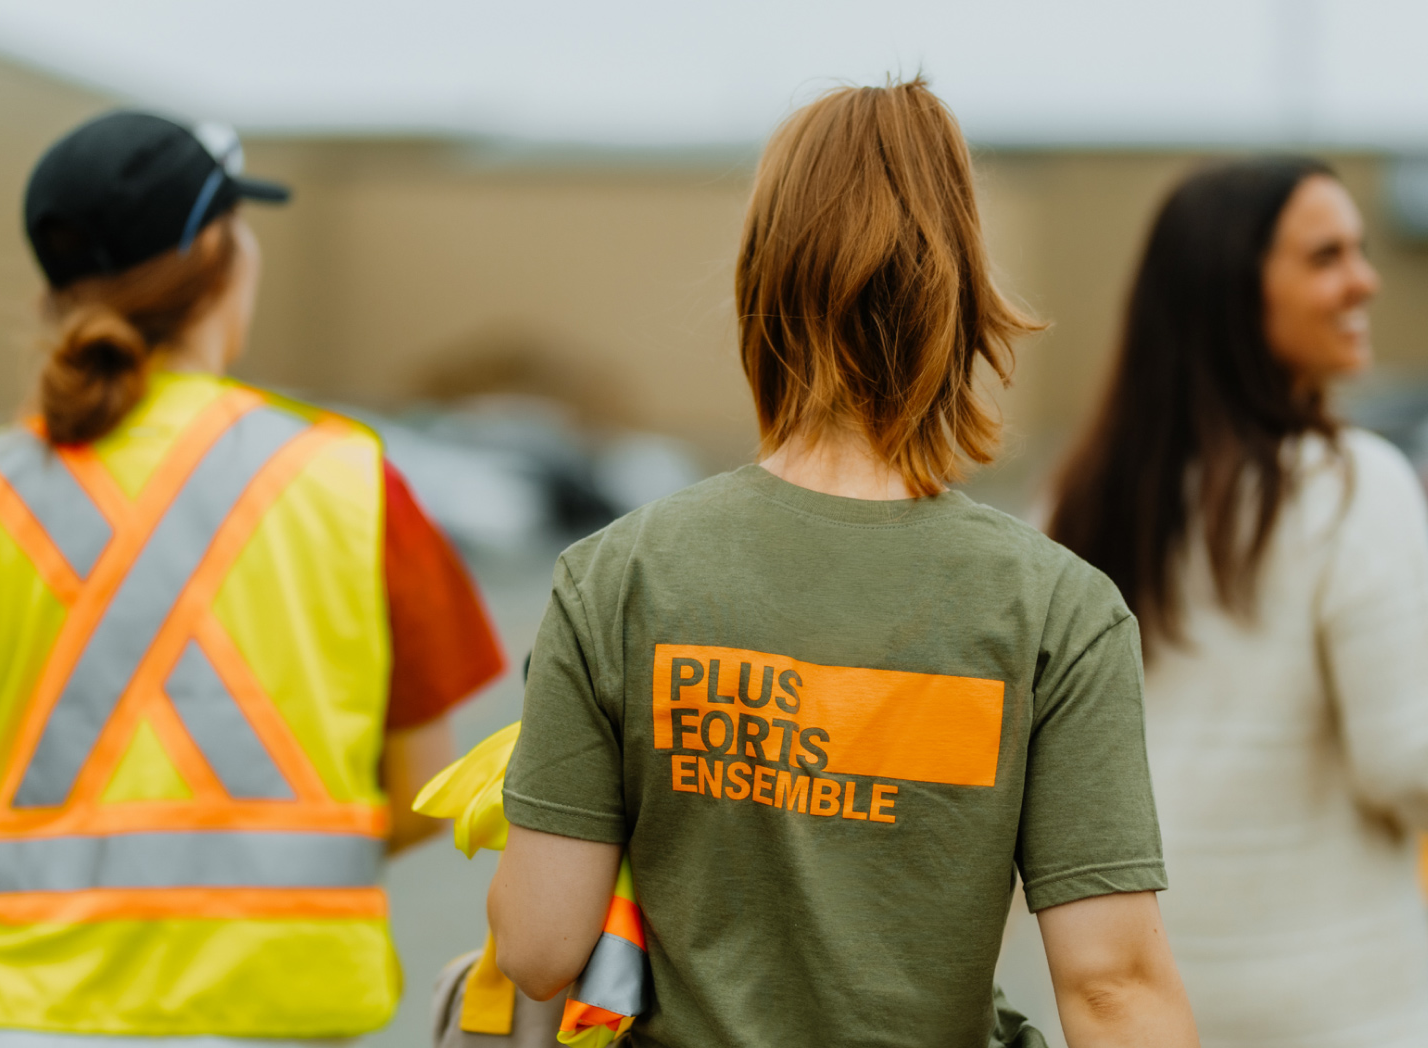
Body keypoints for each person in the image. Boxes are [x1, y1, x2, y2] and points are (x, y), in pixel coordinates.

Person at [485, 79, 1199, 1048]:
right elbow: (1114, 983)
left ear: (761, 279)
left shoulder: (613, 577)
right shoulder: (1057, 608)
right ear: (959, 289)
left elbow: (538, 945)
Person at [0, 110, 504, 1046]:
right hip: (284, 1013)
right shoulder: (349, 479)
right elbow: (428, 789)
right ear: (221, 249)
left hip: (28, 1016)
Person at [1048, 158, 1428, 1044]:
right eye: (1326, 257)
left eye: (1361, 251)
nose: (1364, 280)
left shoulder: (1074, 499)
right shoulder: (1351, 485)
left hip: (1137, 1004)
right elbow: (1407, 758)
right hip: (1343, 1010)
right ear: (1231, 289)